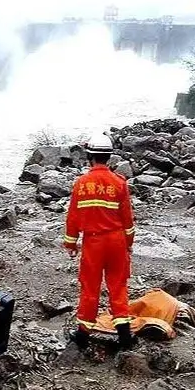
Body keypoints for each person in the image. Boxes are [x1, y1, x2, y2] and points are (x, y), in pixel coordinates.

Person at [63, 134, 136, 350]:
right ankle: (124, 335)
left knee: (90, 286)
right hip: (116, 241)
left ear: (90, 157)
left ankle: (83, 335)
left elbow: (73, 217)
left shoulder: (81, 184)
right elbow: (128, 220)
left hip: (93, 242)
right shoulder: (119, 182)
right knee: (118, 285)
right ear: (109, 157)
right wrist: (128, 243)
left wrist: (71, 243)